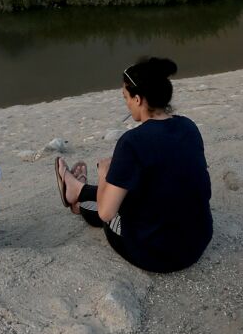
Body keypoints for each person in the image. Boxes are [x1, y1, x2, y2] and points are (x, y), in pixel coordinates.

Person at [53, 56, 213, 273]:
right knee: (144, 182)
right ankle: (77, 190)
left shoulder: (132, 142)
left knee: (114, 205)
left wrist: (105, 174)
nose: (127, 104)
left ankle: (78, 198)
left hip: (155, 253)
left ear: (138, 99)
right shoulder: (188, 127)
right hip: (197, 241)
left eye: (126, 97)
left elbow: (106, 213)